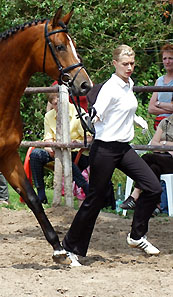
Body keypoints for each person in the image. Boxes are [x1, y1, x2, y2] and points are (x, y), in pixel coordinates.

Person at [62, 45, 162, 267]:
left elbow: (123, 108)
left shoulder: (129, 85)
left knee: (153, 186)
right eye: (125, 64)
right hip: (105, 150)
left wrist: (136, 119)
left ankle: (136, 236)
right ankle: (69, 249)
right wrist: (92, 118)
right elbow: (98, 110)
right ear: (114, 64)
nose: (129, 68)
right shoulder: (109, 88)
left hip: (123, 149)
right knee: (94, 201)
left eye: (132, 64)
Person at [29, 86, 91, 204]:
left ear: (67, 99)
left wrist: (77, 143)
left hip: (78, 153)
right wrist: (49, 148)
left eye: (60, 103)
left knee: (63, 154)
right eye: (55, 104)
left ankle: (84, 186)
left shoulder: (79, 112)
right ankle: (41, 194)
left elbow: (89, 138)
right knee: (35, 154)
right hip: (56, 152)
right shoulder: (49, 116)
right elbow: (48, 139)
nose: (58, 107)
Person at [121, 113, 173, 214]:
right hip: (161, 158)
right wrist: (165, 146)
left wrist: (163, 143)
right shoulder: (165, 122)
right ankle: (155, 205)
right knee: (153, 168)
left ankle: (134, 196)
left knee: (146, 158)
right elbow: (154, 143)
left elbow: (157, 143)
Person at [147, 44, 173, 130]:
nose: (167, 62)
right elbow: (150, 108)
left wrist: (159, 104)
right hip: (160, 125)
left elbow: (154, 105)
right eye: (165, 58)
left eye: (170, 58)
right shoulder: (159, 81)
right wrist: (169, 110)